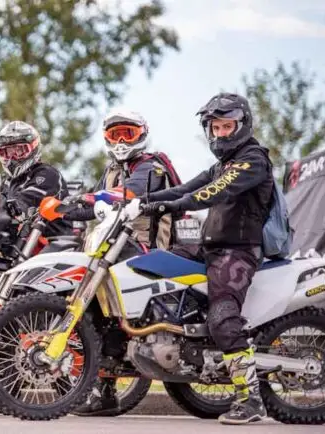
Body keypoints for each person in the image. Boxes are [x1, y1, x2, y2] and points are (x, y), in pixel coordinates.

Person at [141, 92, 273, 425]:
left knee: (223, 318)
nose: (220, 133)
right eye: (215, 128)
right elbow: (184, 188)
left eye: (227, 126)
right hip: (209, 247)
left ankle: (250, 400)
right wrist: (139, 202)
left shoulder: (252, 159)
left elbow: (213, 191)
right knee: (151, 267)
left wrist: (171, 205)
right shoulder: (221, 164)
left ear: (242, 125)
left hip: (238, 251)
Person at [71, 108, 182, 416]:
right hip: (114, 252)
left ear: (141, 136)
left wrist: (93, 199)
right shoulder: (111, 169)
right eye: (115, 134)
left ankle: (107, 387)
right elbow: (93, 203)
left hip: (146, 251)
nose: (121, 141)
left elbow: (130, 192)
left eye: (127, 134)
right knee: (97, 315)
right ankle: (104, 391)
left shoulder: (151, 166)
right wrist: (60, 209)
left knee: (114, 317)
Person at [0, 120, 72, 237]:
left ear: (34, 147)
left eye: (19, 151)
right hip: (23, 243)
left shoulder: (47, 174)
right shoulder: (9, 182)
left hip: (54, 240)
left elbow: (23, 202)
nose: (12, 159)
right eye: (6, 153)